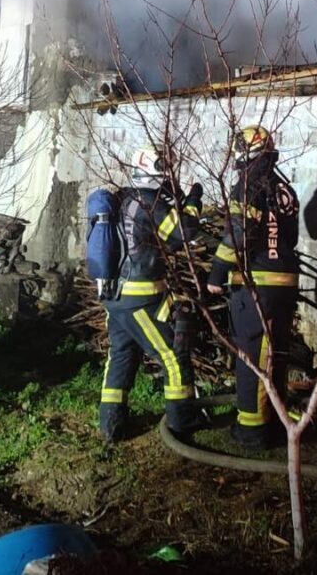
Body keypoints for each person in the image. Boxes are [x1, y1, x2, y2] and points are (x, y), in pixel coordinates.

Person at [99, 145, 203, 443]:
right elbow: (184, 233)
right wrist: (194, 198)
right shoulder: (149, 202)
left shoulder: (121, 199)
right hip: (141, 297)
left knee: (121, 356)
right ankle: (183, 423)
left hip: (115, 296)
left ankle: (111, 425)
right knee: (172, 355)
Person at [207, 126, 300, 450]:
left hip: (256, 285)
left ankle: (252, 430)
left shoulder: (246, 187)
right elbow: (291, 238)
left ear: (244, 153)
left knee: (253, 356)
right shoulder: (285, 189)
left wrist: (217, 274)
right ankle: (277, 421)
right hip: (285, 283)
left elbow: (238, 233)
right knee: (277, 354)